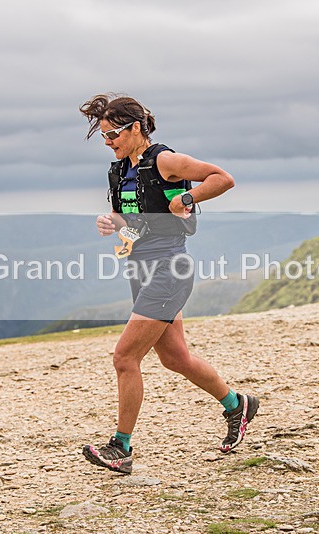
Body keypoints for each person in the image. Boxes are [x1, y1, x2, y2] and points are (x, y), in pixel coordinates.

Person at [78, 94, 259, 473]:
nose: (108, 142)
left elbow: (222, 178)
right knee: (175, 357)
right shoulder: (120, 170)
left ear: (136, 128)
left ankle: (121, 448)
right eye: (104, 137)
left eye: (113, 134)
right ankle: (236, 404)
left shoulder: (165, 160)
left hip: (169, 269)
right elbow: (131, 216)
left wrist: (190, 196)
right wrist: (111, 222)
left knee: (125, 357)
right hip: (139, 268)